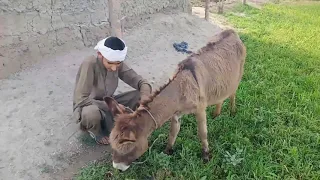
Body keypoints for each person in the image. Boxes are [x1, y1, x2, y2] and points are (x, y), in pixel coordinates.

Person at [72, 36, 152, 145]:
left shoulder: (116, 63)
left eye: (118, 64)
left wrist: (144, 101)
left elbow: (142, 83)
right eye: (110, 63)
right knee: (91, 114)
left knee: (140, 95)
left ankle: (130, 123)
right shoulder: (90, 63)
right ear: (100, 55)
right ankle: (97, 132)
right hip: (89, 105)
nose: (114, 68)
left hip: (110, 101)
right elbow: (80, 99)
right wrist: (113, 106)